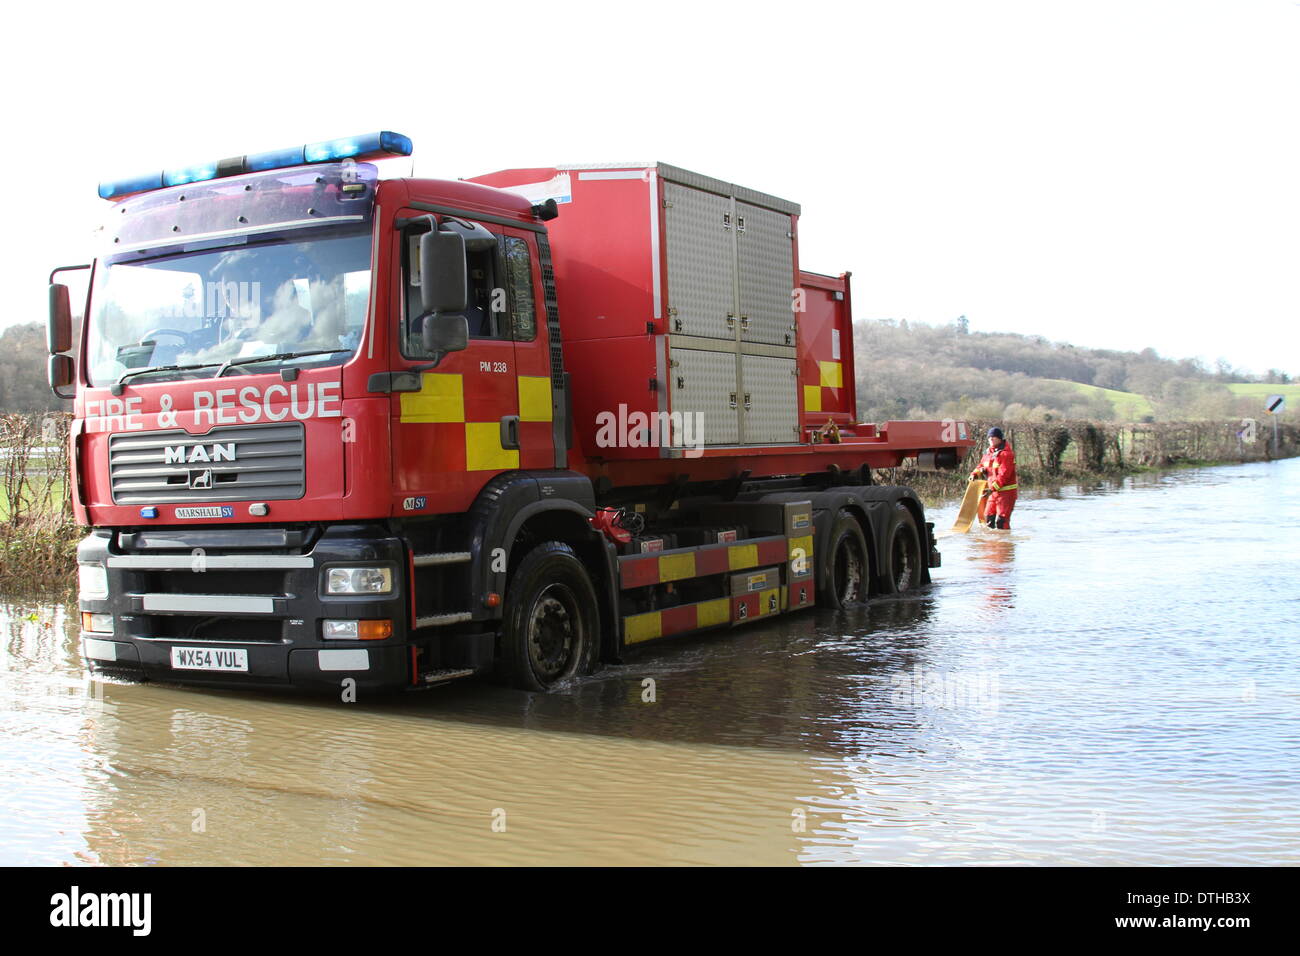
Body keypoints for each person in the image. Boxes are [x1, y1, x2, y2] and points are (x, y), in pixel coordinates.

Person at [970, 426, 1018, 530]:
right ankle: (991, 544)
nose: (991, 439)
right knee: (988, 519)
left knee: (1002, 522)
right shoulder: (988, 454)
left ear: (1000, 439)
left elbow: (1004, 475)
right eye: (989, 438)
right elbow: (981, 466)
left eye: (994, 437)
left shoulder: (1006, 454)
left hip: (1006, 494)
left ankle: (1004, 544)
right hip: (993, 493)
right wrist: (974, 473)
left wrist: (992, 489)